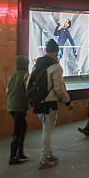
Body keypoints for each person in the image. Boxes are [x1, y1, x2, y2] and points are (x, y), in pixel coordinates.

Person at [30, 39, 72, 170]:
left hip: (37, 102)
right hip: (49, 103)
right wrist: (68, 101)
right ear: (55, 52)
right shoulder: (55, 67)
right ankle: (43, 159)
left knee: (46, 130)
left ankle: (49, 154)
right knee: (47, 131)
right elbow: (59, 89)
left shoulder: (37, 64)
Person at [6, 55, 29, 165]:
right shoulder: (25, 75)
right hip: (20, 106)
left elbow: (7, 90)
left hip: (11, 106)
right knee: (18, 131)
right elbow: (27, 89)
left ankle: (20, 153)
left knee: (22, 128)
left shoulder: (12, 75)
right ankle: (13, 156)